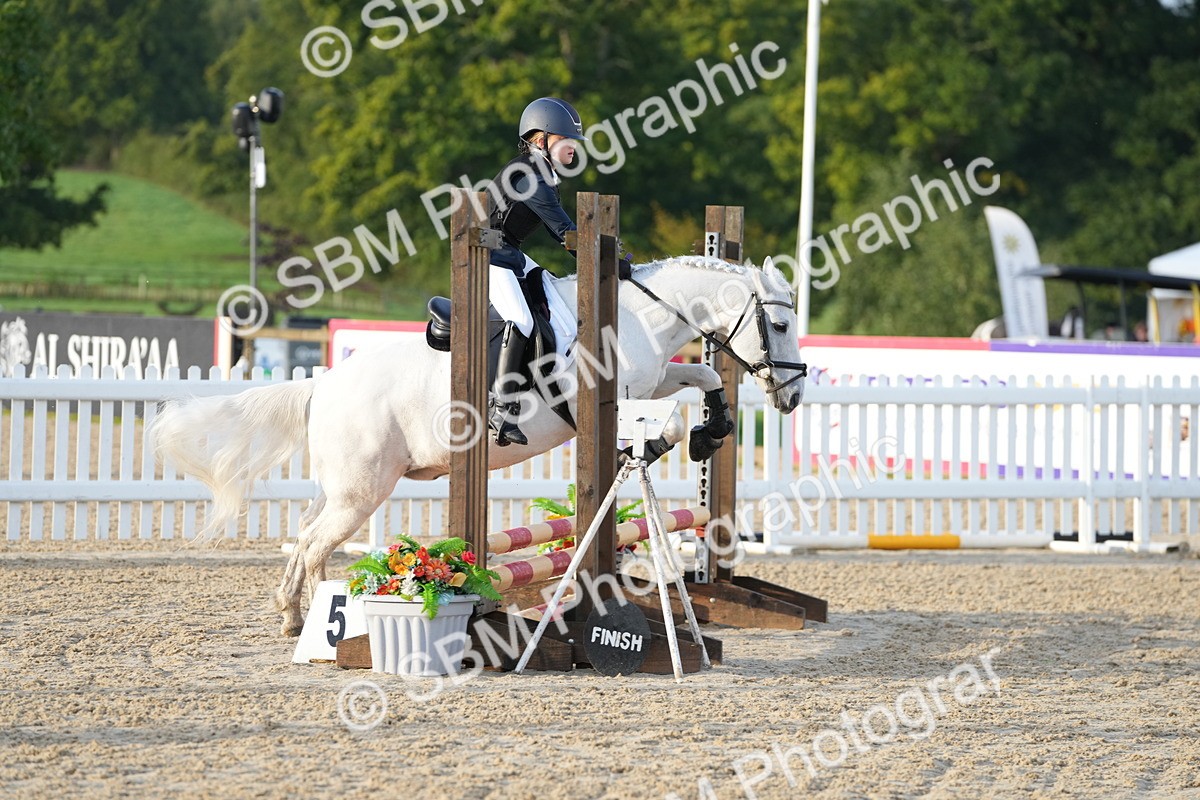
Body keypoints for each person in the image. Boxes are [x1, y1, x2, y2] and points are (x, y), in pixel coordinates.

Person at [484, 97, 587, 447]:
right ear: (541, 139)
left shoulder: (541, 171)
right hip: (484, 253)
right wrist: (605, 257)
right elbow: (564, 232)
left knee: (558, 307)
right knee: (522, 320)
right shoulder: (527, 173)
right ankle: (502, 407)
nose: (574, 147)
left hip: (509, 252)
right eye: (566, 139)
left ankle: (544, 383)